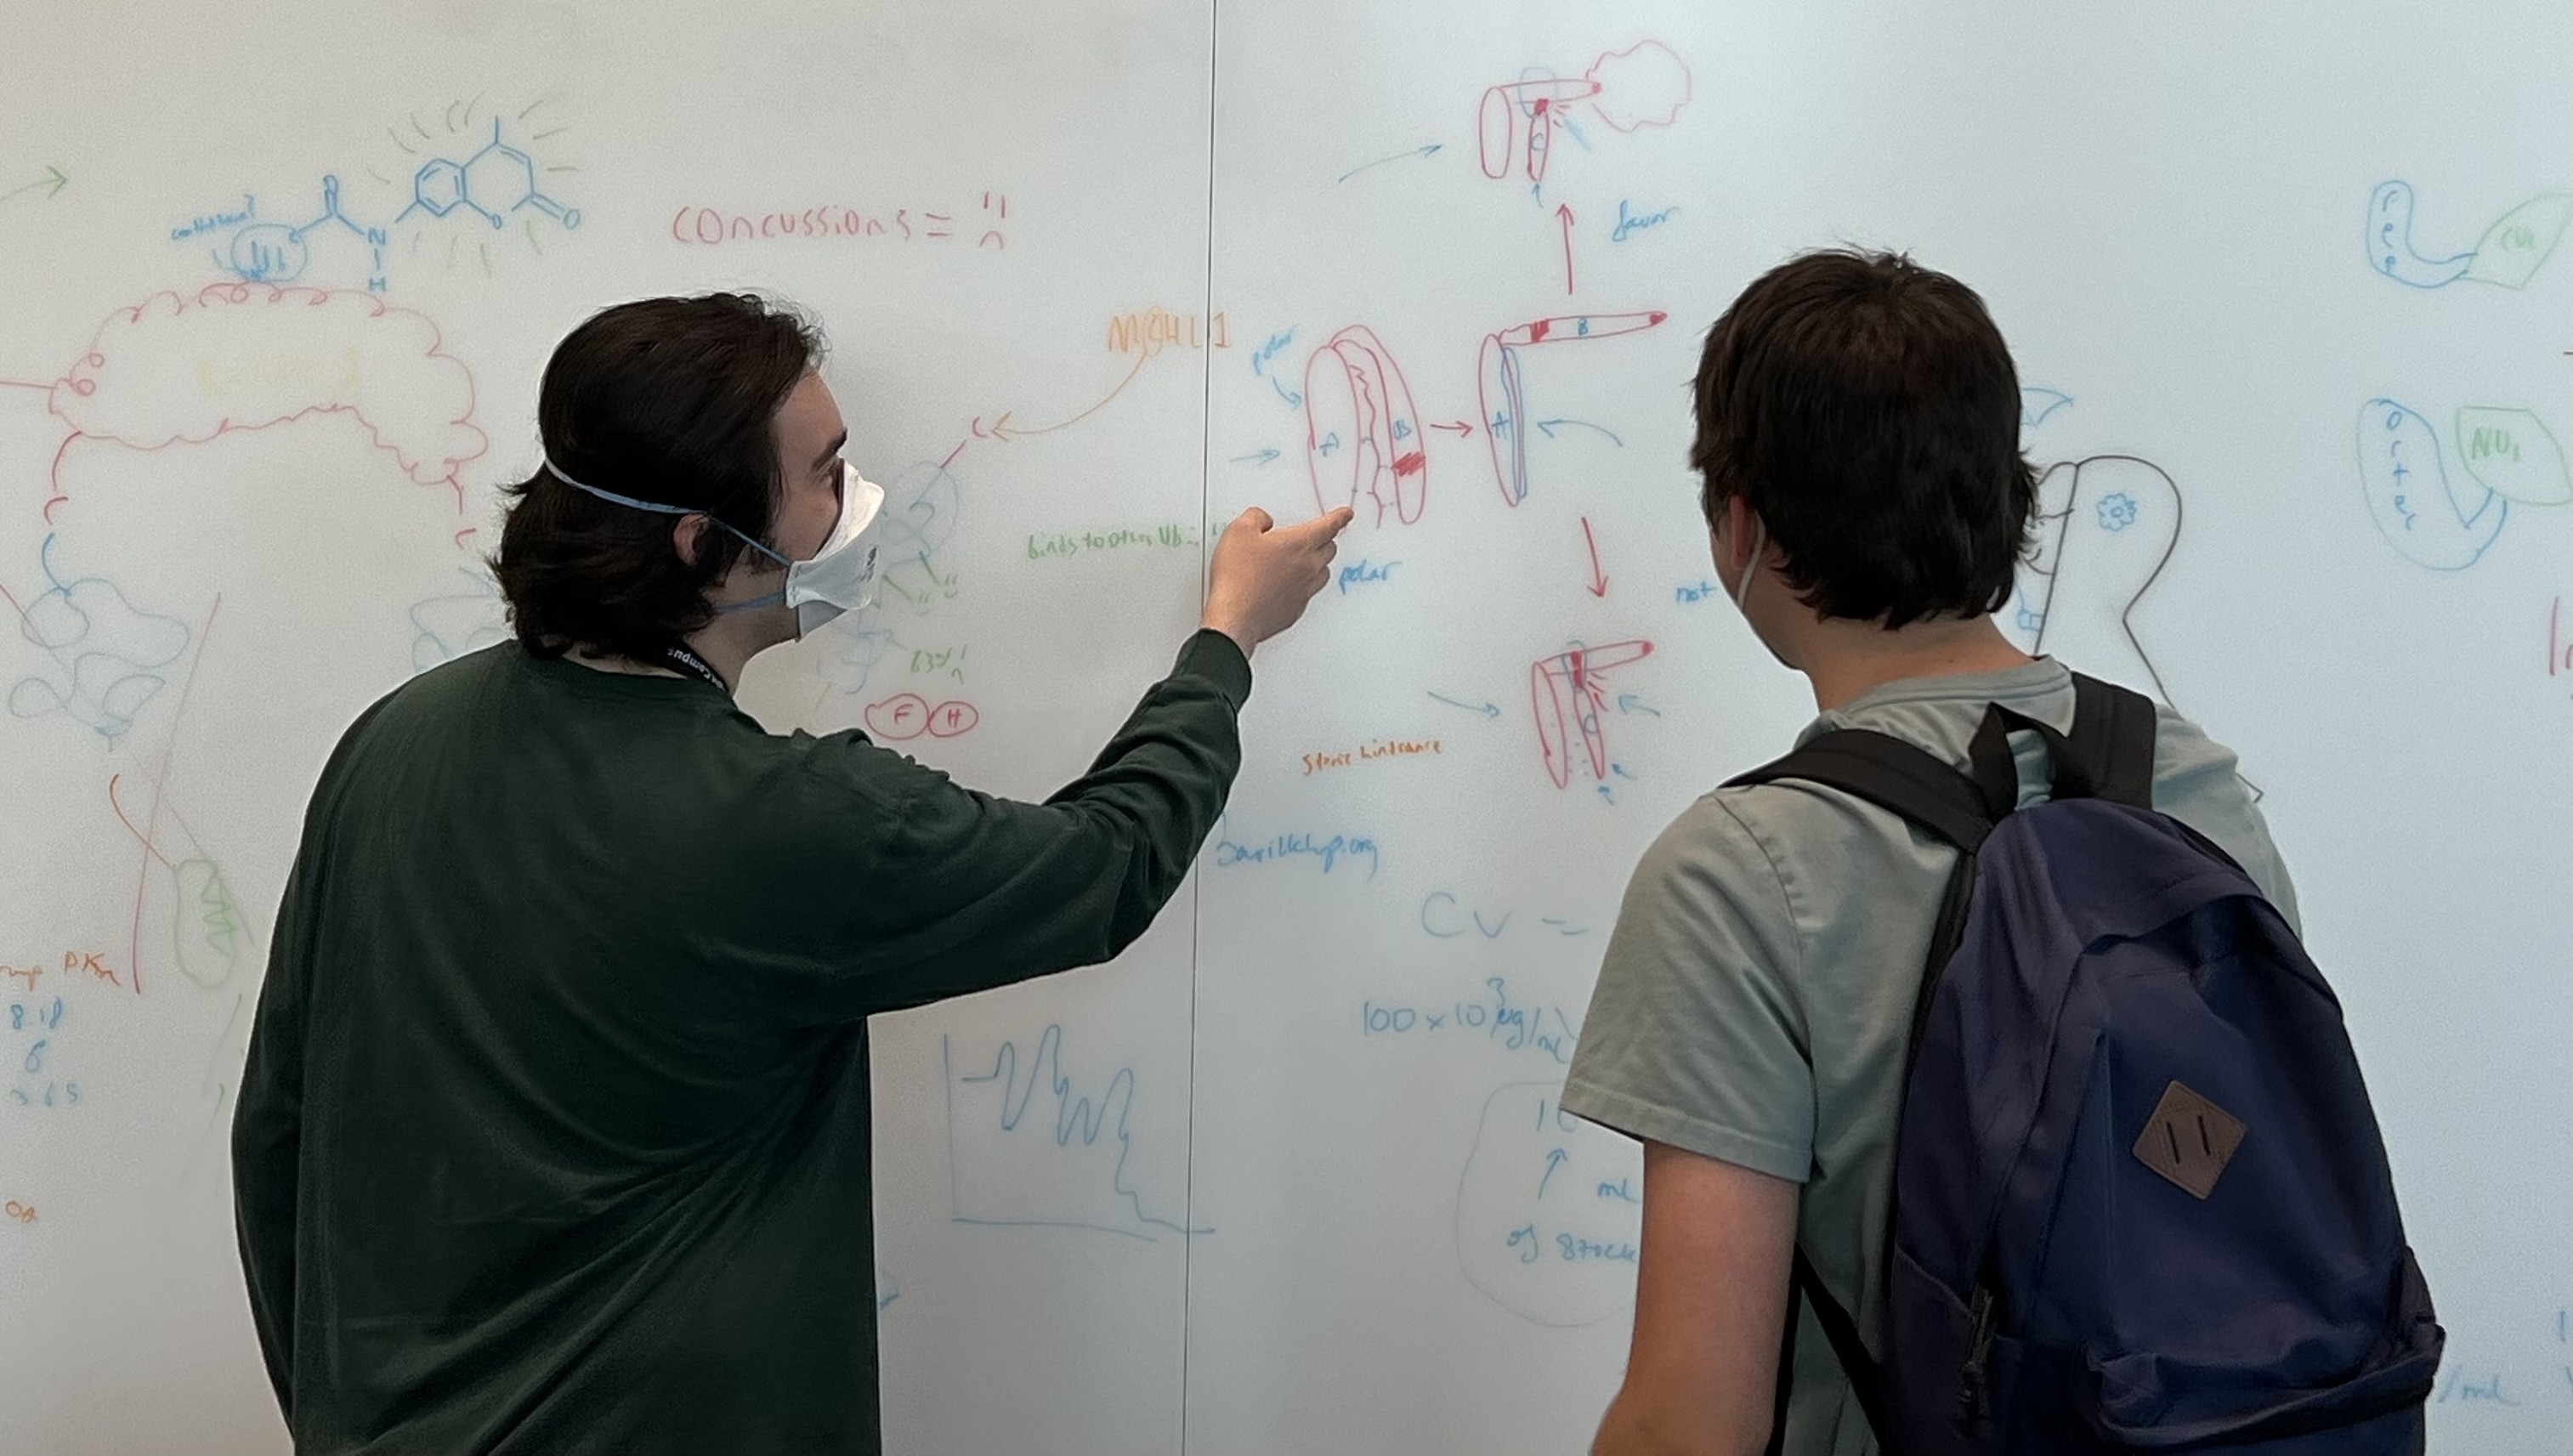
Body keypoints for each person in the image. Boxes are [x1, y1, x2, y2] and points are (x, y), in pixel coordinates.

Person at [230, 292, 1352, 1455]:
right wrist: (1227, 641)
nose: (853, 508)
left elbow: (277, 1129)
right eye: (828, 473)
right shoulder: (791, 822)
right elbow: (1108, 864)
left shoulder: (393, 741)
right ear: (702, 545)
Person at [1561, 251, 2298, 1456]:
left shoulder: (1735, 876)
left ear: (1740, 524)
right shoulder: (2196, 785)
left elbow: (1692, 1421)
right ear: (2006, 495)